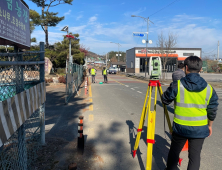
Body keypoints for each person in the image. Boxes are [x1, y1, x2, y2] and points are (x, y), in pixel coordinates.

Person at [162, 56, 218, 170]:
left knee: (174, 153)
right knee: (195, 156)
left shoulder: (177, 85)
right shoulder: (209, 89)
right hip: (200, 129)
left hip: (180, 128)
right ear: (200, 69)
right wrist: (210, 126)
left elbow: (165, 100)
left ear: (186, 68)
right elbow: (212, 110)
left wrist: (170, 89)